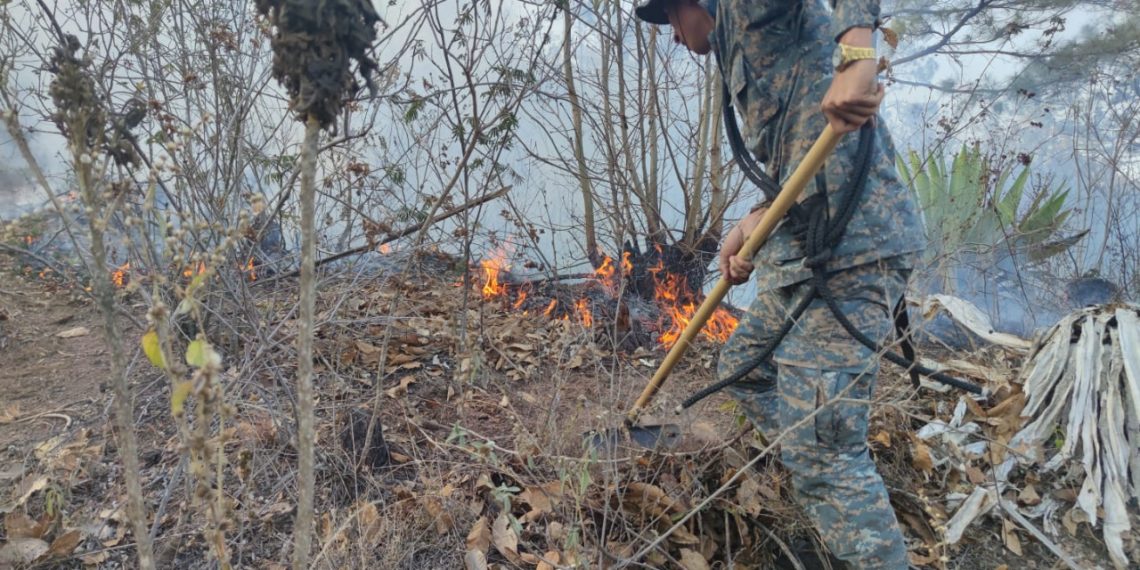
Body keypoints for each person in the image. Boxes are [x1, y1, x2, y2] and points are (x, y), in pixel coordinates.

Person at [634, 0, 927, 568]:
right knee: (746, 369)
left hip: (853, 249)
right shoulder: (739, 48)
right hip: (802, 254)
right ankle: (823, 485)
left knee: (826, 453)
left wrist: (858, 56)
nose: (672, 34)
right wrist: (751, 223)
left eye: (670, 15)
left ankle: (831, 481)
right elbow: (796, 155)